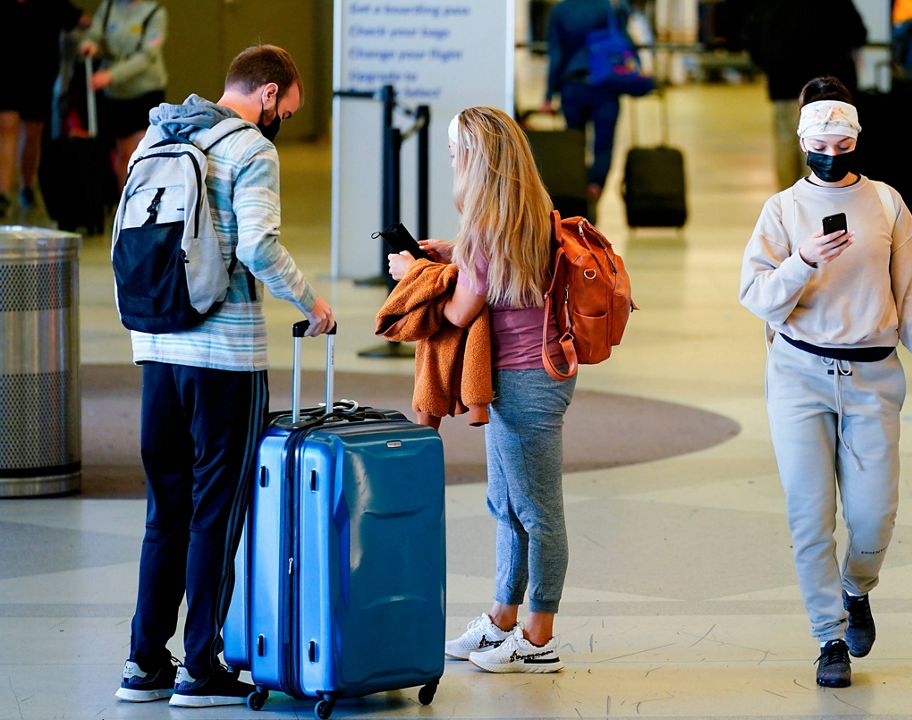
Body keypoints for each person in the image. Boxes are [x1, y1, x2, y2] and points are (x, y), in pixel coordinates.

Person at [114, 45, 336, 707]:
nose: (283, 123)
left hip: (154, 347)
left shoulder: (158, 134)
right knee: (216, 512)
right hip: (224, 359)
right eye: (287, 112)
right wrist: (312, 303)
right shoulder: (251, 150)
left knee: (166, 514)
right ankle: (200, 666)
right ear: (267, 95)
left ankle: (145, 662)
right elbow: (258, 245)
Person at [739, 76, 912, 688]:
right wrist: (802, 261)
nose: (832, 155)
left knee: (873, 514)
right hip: (799, 373)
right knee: (809, 516)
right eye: (820, 145)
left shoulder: (886, 203)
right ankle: (828, 635)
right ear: (805, 142)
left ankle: (857, 588)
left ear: (857, 140)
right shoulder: (780, 210)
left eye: (843, 143)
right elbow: (755, 295)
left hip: (872, 373)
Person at [388, 106, 575, 674]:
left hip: (523, 383)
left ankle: (538, 637)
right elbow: (489, 272)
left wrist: (411, 275)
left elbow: (458, 308)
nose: (451, 163)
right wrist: (453, 252)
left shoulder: (489, 228)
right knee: (509, 506)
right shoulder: (524, 212)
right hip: (530, 378)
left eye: (453, 155)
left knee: (536, 512)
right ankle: (501, 620)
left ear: (473, 160)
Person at [746, 0, 866, 190]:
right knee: (822, 146)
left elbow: (754, 43)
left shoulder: (770, 4)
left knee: (786, 143)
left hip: (784, 86)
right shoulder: (835, 3)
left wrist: (772, 68)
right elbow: (858, 34)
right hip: (825, 91)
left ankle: (788, 203)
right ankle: (817, 202)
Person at [542, 0, 636, 201]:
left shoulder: (561, 11)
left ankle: (576, 191)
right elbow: (624, 38)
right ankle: (595, 187)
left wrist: (549, 94)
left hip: (573, 86)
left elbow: (556, 55)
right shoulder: (610, 6)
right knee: (603, 144)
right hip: (605, 85)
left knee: (575, 141)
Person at [0, 0, 87, 216]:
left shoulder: (50, 4)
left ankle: (27, 186)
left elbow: (82, 20)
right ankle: (3, 193)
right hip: (6, 74)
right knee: (7, 128)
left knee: (31, 135)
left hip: (39, 77)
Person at [80, 0, 167, 190]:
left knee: (145, 151)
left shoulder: (155, 13)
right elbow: (94, 32)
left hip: (145, 89)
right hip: (117, 94)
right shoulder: (109, 6)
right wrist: (89, 44)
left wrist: (112, 76)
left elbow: (147, 55)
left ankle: (148, 201)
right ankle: (125, 204)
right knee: (124, 153)